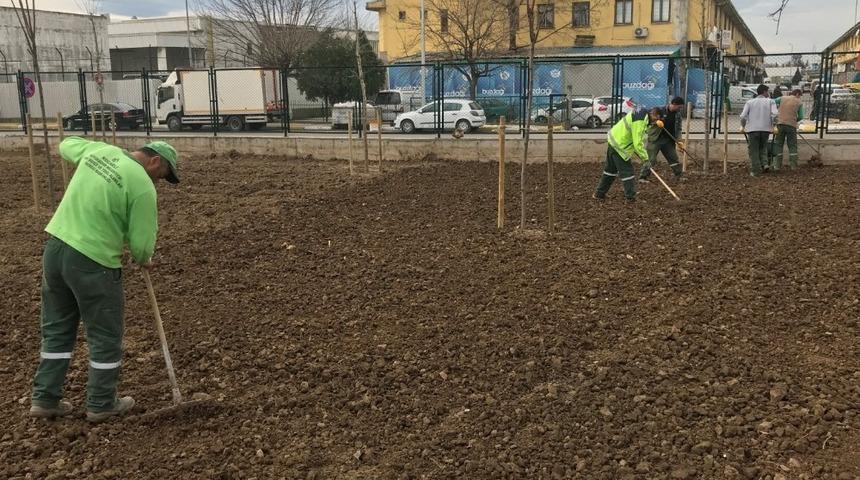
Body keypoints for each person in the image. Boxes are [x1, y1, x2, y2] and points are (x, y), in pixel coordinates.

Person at [29, 137, 179, 423]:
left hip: (56, 250)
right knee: (105, 335)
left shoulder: (100, 151)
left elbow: (65, 145)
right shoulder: (142, 185)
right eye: (161, 176)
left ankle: (45, 398)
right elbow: (141, 244)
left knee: (57, 328)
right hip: (93, 262)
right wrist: (144, 257)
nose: (158, 182)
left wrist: (96, 152)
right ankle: (101, 403)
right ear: (154, 161)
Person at [594, 106, 661, 202]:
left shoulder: (641, 113)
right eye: (656, 118)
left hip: (614, 142)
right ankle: (631, 197)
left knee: (610, 171)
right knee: (627, 172)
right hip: (620, 146)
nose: (655, 122)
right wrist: (646, 159)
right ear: (653, 114)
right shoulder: (640, 120)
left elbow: (634, 137)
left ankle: (599, 194)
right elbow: (637, 142)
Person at [639, 96, 685, 183]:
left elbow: (679, 128)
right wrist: (655, 122)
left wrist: (679, 141)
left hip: (668, 140)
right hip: (655, 139)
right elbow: (647, 118)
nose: (680, 109)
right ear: (674, 104)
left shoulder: (678, 114)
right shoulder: (659, 110)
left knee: (673, 158)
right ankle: (643, 177)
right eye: (679, 107)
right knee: (651, 159)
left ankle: (679, 175)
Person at [740, 84, 778, 177]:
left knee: (753, 150)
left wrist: (742, 126)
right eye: (767, 91)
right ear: (764, 92)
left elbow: (743, 116)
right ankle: (764, 164)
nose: (768, 93)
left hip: (753, 130)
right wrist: (774, 126)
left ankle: (756, 170)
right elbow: (775, 115)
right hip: (766, 129)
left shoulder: (750, 102)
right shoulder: (771, 102)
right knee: (763, 147)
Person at [772, 89, 805, 171]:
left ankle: (777, 166)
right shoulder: (799, 102)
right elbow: (801, 116)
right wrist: (794, 120)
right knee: (792, 145)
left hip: (780, 124)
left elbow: (772, 102)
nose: (799, 97)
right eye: (800, 96)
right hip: (791, 126)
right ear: (797, 94)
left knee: (778, 144)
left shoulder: (782, 98)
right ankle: (793, 166)